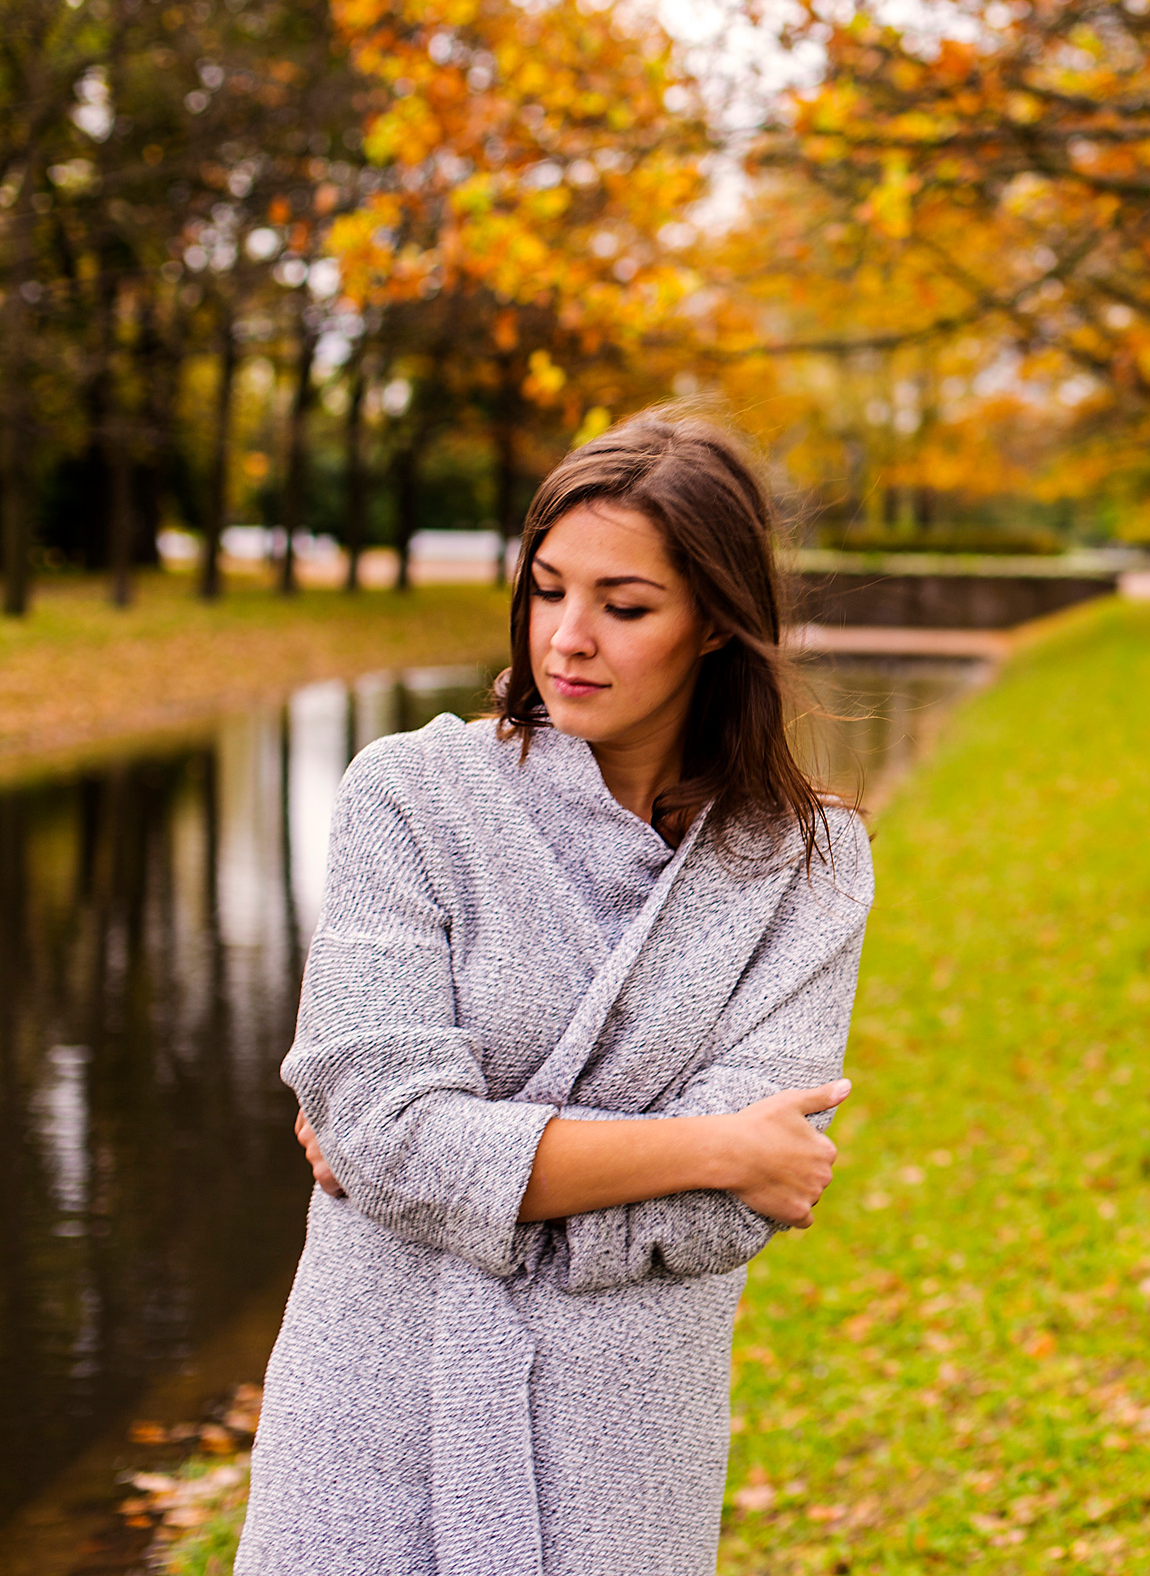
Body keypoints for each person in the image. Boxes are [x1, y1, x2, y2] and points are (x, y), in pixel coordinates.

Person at [238, 410, 871, 1576]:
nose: (567, 639)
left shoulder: (807, 865)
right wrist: (712, 1146)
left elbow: (726, 1215)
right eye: (545, 591)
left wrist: (438, 1169)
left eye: (624, 607)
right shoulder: (412, 796)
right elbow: (388, 1133)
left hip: (621, 1436)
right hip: (378, 1404)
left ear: (715, 624)